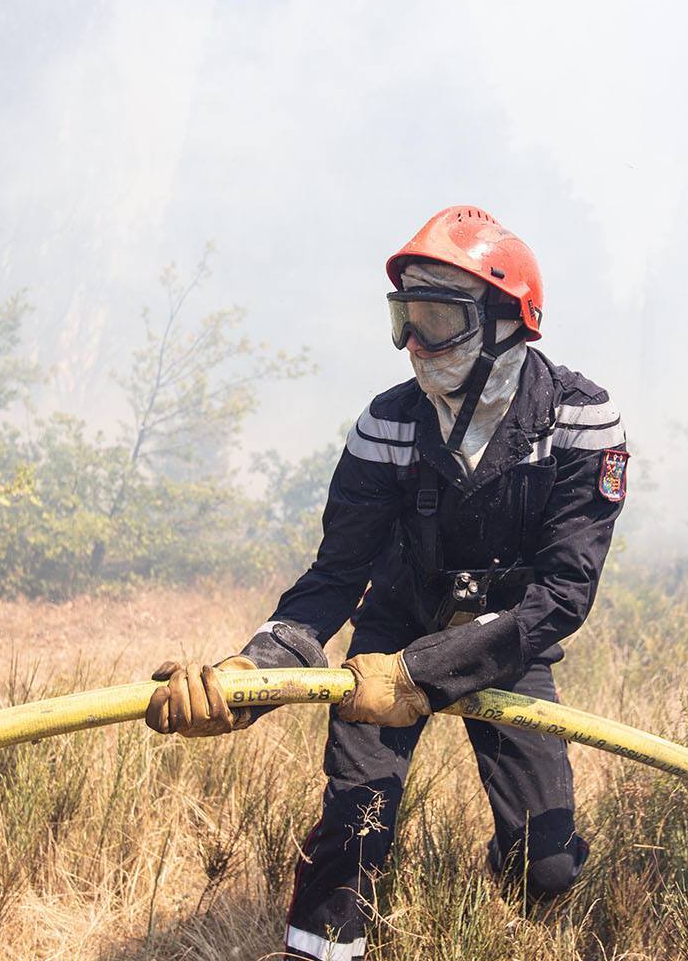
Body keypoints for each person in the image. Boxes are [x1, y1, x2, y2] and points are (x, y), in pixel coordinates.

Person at [144, 205, 629, 961]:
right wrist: (251, 674)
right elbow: (333, 580)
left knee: (550, 863)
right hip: (391, 636)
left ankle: (507, 893)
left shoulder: (581, 419)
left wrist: (425, 675)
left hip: (508, 645)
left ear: (507, 319)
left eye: (435, 318)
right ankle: (320, 951)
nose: (412, 344)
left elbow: (563, 596)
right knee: (354, 823)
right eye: (403, 318)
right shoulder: (386, 424)